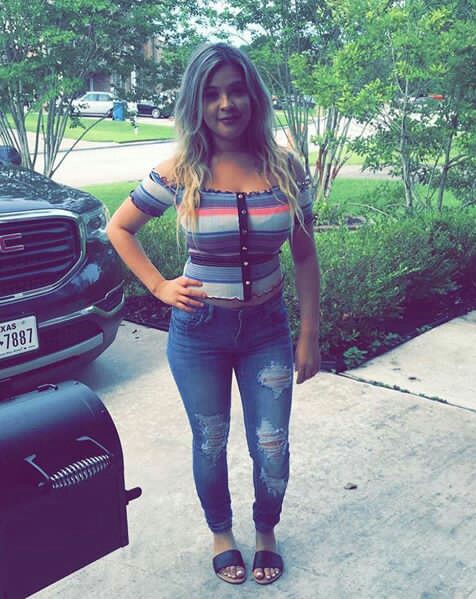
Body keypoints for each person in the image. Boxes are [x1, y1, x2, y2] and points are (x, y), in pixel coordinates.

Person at [106, 42, 321, 586]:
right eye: (211, 94)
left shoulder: (285, 168)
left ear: (254, 96)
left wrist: (310, 334)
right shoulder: (180, 171)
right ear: (195, 103)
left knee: (272, 445)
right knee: (209, 440)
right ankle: (221, 533)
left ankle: (266, 529)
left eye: (236, 90)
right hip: (199, 335)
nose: (226, 104)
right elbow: (119, 227)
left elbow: (304, 254)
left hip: (267, 331)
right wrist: (159, 285)